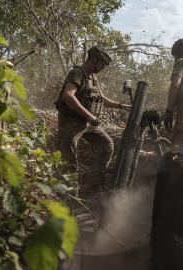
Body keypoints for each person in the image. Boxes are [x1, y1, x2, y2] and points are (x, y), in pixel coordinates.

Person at [55, 46, 130, 192]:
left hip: (88, 124)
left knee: (107, 145)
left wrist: (121, 106)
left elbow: (102, 99)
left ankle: (94, 185)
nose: (103, 67)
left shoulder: (93, 79)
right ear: (93, 60)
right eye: (102, 63)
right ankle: (69, 195)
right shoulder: (77, 73)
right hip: (71, 123)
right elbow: (68, 95)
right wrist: (90, 115)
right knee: (68, 158)